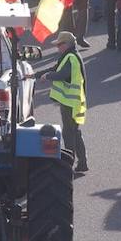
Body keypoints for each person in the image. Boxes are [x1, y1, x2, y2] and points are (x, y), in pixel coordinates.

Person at [49, 32, 89, 173]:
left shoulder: (70, 57)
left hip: (70, 102)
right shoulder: (70, 56)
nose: (57, 47)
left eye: (59, 44)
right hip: (74, 101)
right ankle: (82, 163)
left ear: (66, 44)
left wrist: (47, 76)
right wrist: (37, 75)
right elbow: (55, 69)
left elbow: (62, 74)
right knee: (75, 132)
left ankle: (68, 165)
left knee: (68, 133)